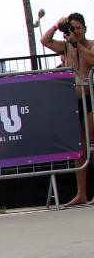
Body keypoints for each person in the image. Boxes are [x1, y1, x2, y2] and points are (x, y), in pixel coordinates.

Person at [41, 12, 94, 206]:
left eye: (78, 28)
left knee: (92, 144)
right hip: (73, 102)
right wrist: (57, 25)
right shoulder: (65, 47)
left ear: (85, 29)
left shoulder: (89, 44)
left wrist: (76, 44)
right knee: (79, 150)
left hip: (90, 99)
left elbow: (92, 59)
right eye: (72, 28)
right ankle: (81, 193)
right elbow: (44, 40)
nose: (76, 31)